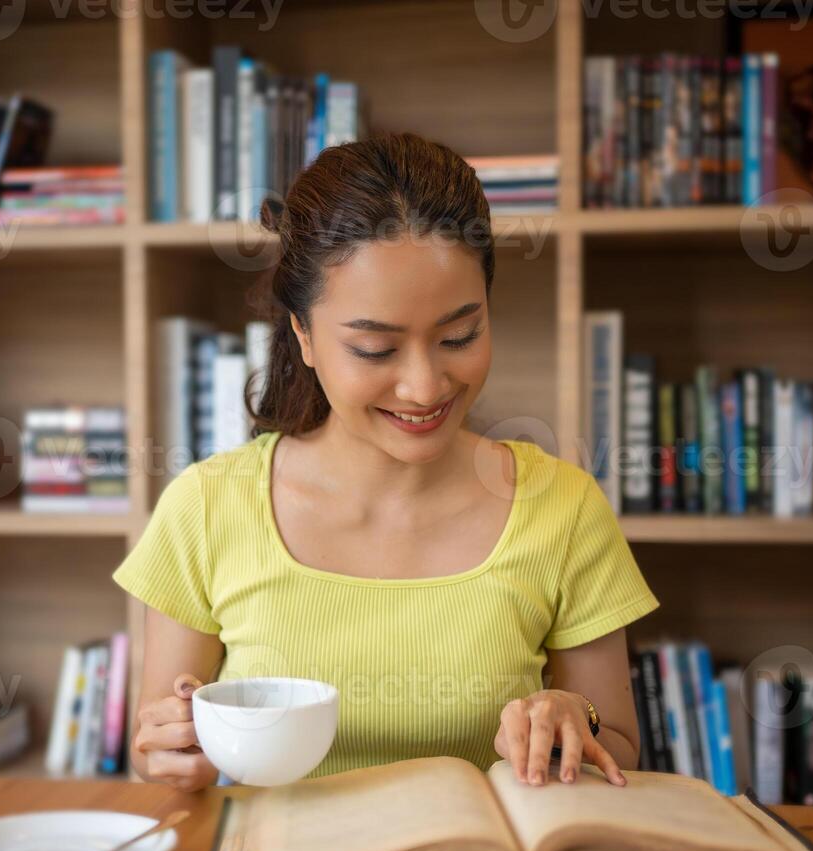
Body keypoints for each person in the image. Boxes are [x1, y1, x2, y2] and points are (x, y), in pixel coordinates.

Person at [112, 132, 658, 793]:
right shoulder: (205, 507)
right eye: (375, 349)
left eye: (460, 336)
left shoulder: (563, 507)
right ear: (304, 336)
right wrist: (167, 748)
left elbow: (621, 746)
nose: (425, 387)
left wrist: (576, 717)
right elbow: (155, 749)